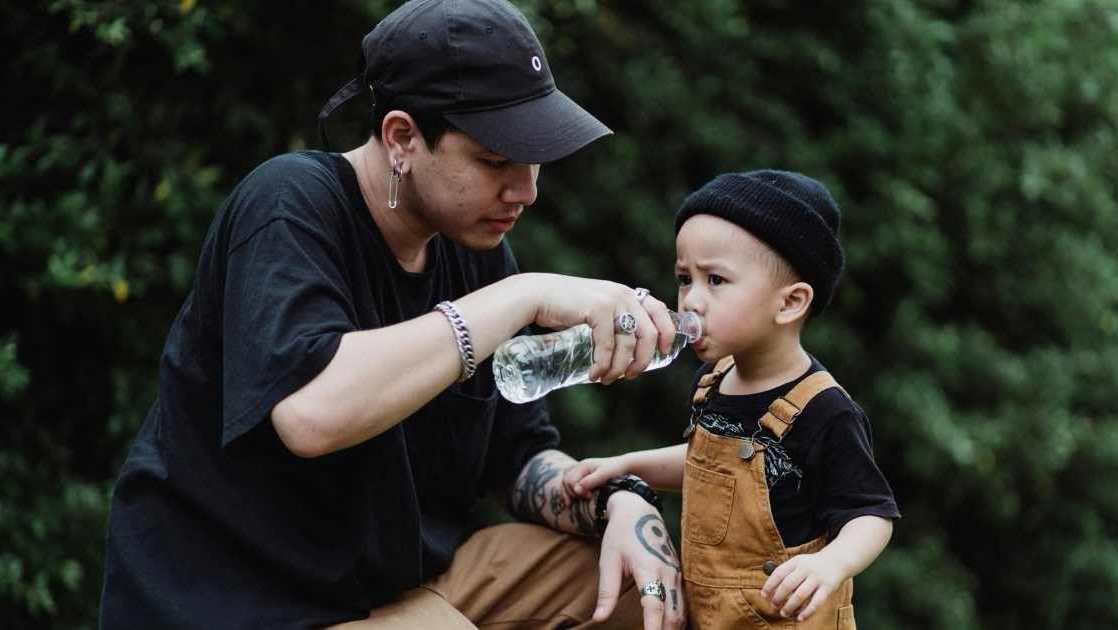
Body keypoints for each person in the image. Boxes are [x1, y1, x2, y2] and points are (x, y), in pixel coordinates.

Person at [98, 1, 688, 628]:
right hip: (240, 609)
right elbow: (311, 413)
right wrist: (522, 298)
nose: (525, 190)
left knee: (630, 578)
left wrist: (621, 502)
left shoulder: (474, 248)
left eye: (535, 157)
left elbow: (521, 460)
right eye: (496, 161)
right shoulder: (289, 206)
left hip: (399, 590)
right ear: (402, 138)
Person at [564, 170, 901, 629]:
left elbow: (871, 512)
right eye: (685, 279)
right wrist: (628, 464)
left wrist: (832, 564)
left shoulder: (825, 410)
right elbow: (710, 466)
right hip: (712, 616)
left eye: (716, 280)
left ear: (790, 303)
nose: (691, 302)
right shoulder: (713, 381)